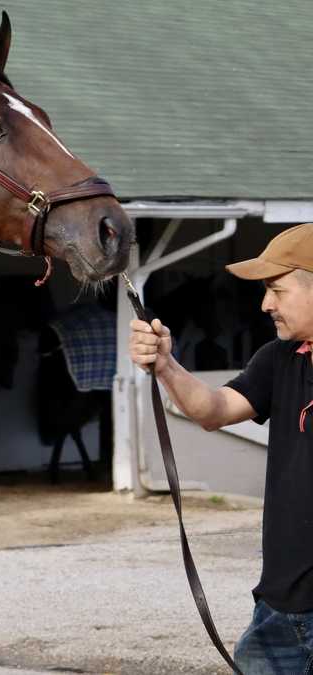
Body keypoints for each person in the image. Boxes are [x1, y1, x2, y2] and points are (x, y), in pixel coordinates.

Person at [129, 222, 313, 674]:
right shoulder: (278, 359)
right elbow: (213, 410)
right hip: (280, 610)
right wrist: (166, 365)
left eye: (277, 290)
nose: (266, 304)